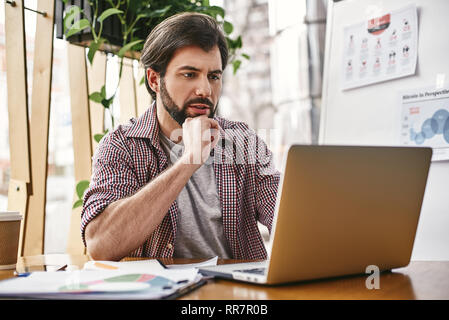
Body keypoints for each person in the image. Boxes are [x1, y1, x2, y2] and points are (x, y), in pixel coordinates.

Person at [81, 12, 280, 261]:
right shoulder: (121, 146)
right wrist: (188, 161)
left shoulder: (242, 142)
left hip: (233, 294)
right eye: (189, 74)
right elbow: (100, 246)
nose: (205, 90)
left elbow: (288, 220)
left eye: (214, 76)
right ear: (154, 79)